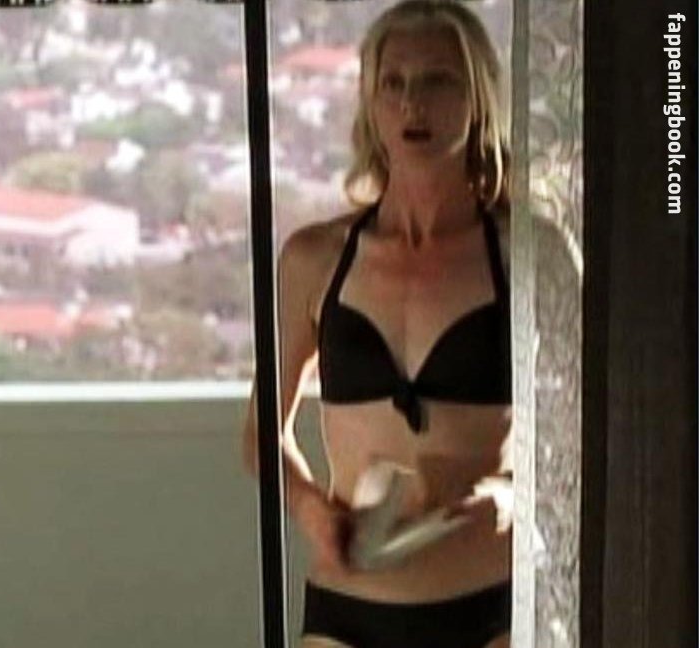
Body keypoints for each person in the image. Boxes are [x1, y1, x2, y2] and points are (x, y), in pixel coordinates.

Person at [242, 2, 513, 647]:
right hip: (347, 610)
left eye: (437, 80)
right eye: (394, 82)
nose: (412, 103)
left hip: (489, 608)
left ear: (477, 96)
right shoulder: (315, 259)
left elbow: (584, 438)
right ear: (371, 100)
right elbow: (260, 433)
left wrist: (504, 496)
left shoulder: (525, 257)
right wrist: (310, 507)